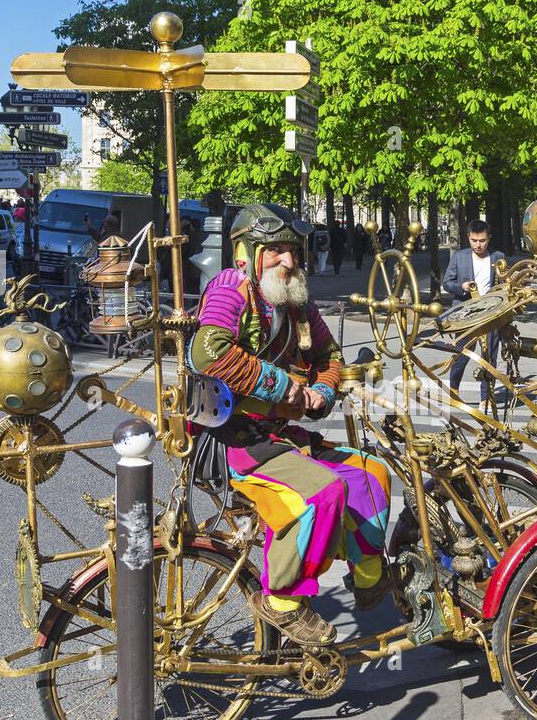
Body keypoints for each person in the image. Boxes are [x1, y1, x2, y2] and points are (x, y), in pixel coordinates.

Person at [188, 202, 393, 647]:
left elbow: (330, 357)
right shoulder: (230, 289)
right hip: (234, 440)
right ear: (245, 253)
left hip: (282, 436)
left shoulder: (296, 299)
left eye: (292, 251)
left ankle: (368, 575)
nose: (288, 261)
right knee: (322, 493)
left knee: (372, 475)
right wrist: (283, 388)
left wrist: (323, 390)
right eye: (275, 251)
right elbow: (208, 353)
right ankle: (280, 598)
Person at [441, 219, 506, 406]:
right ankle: (453, 391)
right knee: (461, 353)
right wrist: (461, 287)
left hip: (491, 313)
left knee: (489, 356)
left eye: (482, 241)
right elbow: (447, 283)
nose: (478, 245)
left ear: (489, 238)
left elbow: (504, 283)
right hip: (466, 314)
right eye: (474, 240)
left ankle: (486, 396)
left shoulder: (498, 256)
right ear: (468, 238)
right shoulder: (459, 257)